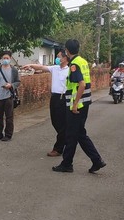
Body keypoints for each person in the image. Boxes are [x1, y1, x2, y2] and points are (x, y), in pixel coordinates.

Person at [52, 39, 106, 174]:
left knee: (71, 135)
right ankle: (96, 160)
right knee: (80, 134)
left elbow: (81, 84)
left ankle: (67, 164)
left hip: (77, 105)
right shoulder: (83, 61)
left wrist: (75, 104)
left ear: (67, 51)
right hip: (85, 102)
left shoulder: (74, 64)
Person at [22, 51, 69, 156]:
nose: (57, 58)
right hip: (54, 97)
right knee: (55, 121)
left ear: (65, 58)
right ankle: (66, 139)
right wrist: (30, 65)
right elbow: (42, 67)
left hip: (64, 98)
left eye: (59, 57)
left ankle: (58, 148)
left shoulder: (69, 71)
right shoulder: (55, 68)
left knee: (61, 123)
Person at [0, 50, 20, 142]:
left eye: (7, 58)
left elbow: (18, 82)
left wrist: (11, 85)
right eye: (4, 58)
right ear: (1, 59)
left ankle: (8, 134)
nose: (5, 60)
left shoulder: (14, 70)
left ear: (10, 59)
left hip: (9, 96)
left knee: (9, 117)